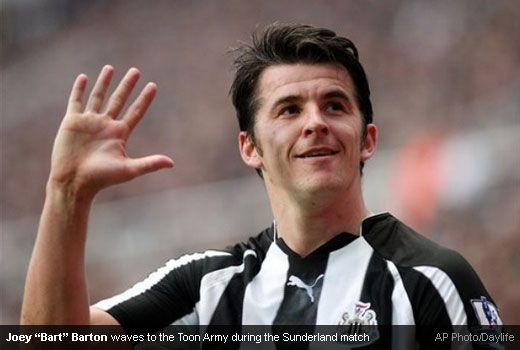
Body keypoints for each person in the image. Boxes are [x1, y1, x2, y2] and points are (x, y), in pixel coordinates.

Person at [21, 23, 502, 347]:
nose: (315, 123)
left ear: (367, 139)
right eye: (289, 109)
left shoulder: (433, 279)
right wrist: (67, 193)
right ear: (249, 147)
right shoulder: (208, 289)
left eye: (335, 105)